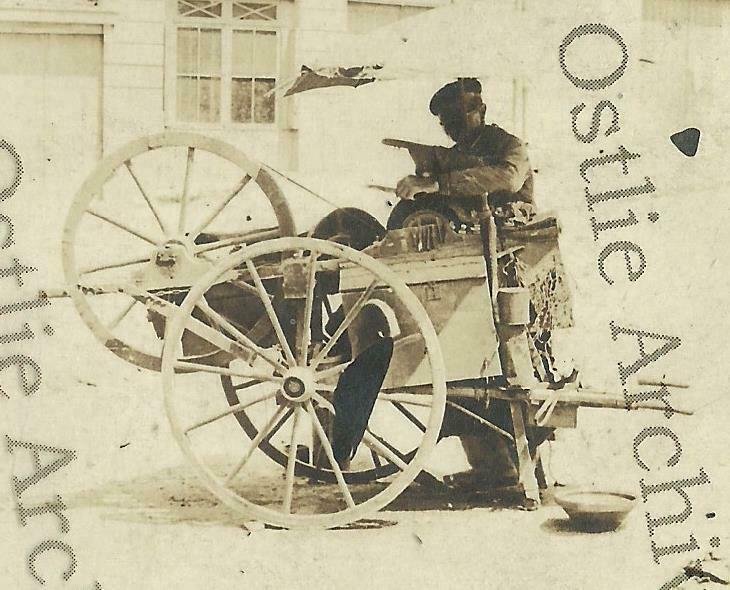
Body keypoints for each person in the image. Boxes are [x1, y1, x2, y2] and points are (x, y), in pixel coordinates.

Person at [394, 78, 537, 490]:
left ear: (480, 110)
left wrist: (438, 183)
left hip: (509, 265)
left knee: (502, 366)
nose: (453, 128)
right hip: (470, 264)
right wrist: (417, 180)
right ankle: (493, 468)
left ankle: (511, 468)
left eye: (458, 118)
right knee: (462, 364)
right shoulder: (454, 156)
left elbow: (506, 180)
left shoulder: (510, 147)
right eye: (446, 123)